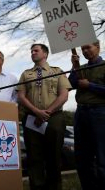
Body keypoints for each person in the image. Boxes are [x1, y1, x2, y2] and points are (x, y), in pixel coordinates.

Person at [17, 43, 71, 190]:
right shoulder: (26, 74)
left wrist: (46, 112)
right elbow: (21, 96)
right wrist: (36, 111)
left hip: (54, 118)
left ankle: (54, 187)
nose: (33, 53)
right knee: (34, 157)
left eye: (36, 50)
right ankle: (37, 187)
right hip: (32, 118)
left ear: (45, 54)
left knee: (54, 156)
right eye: (31, 51)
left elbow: (64, 95)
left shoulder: (57, 71)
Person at [68, 40, 105, 190]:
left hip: (100, 113)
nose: (85, 51)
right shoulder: (80, 68)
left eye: (88, 47)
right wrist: (74, 67)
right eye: (82, 49)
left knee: (102, 156)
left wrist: (90, 86)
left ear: (98, 47)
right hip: (81, 113)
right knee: (83, 158)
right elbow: (70, 84)